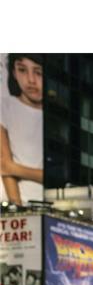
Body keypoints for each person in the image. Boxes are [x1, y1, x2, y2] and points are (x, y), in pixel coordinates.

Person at [1, 53, 44, 205]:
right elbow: (4, 167)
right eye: (22, 70)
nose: (31, 80)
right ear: (13, 72)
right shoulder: (4, 106)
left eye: (38, 72)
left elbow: (8, 167)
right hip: (11, 206)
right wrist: (17, 207)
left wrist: (14, 168)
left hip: (51, 206)